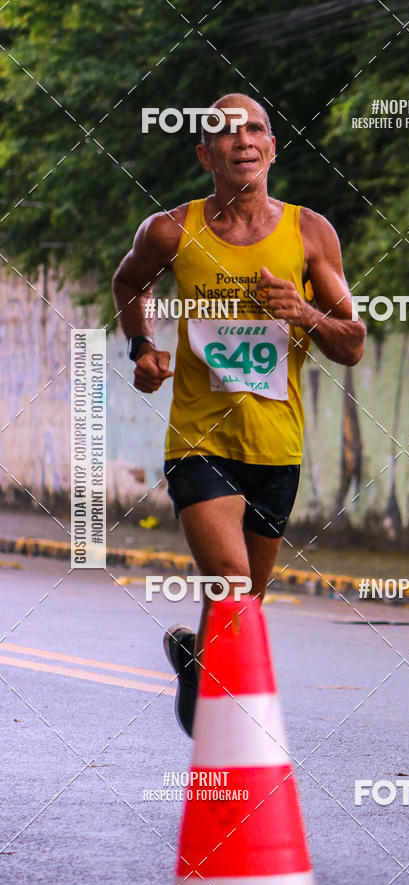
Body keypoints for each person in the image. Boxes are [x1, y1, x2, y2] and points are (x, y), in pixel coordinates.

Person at [112, 92, 365, 736]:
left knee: (243, 604)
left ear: (272, 148)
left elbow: (353, 342)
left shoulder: (310, 233)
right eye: (226, 133)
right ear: (207, 154)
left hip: (277, 444)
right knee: (228, 581)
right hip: (198, 439)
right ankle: (221, 738)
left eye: (255, 129)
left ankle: (200, 670)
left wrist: (304, 312)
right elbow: (129, 284)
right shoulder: (170, 229)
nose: (243, 140)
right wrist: (142, 345)